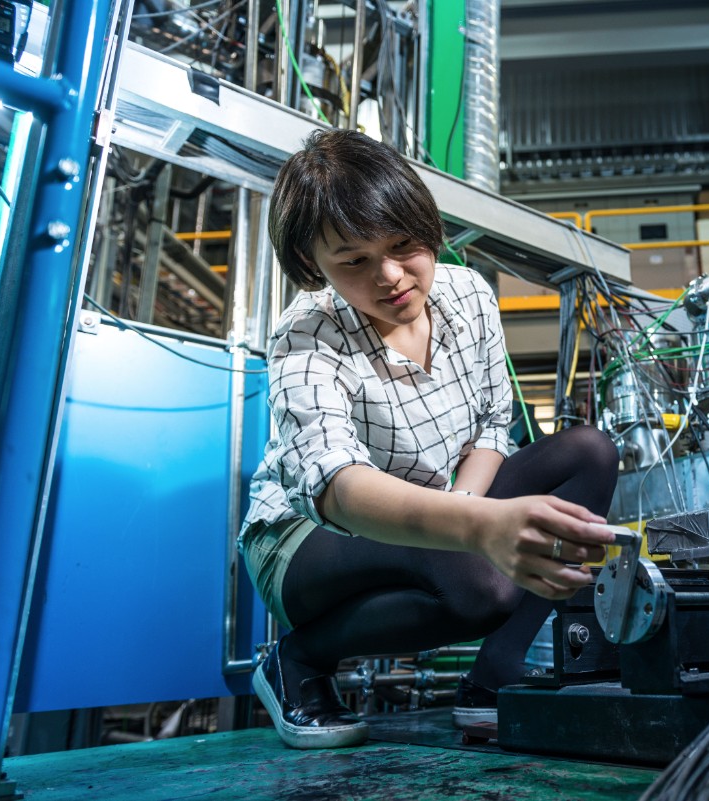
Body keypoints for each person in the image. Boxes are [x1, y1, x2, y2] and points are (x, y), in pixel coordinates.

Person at [239, 129, 620, 750]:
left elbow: (494, 427)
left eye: (402, 244)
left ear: (428, 223)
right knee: (480, 585)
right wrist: (476, 530)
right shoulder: (305, 336)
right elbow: (338, 488)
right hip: (309, 543)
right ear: (314, 265)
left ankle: (494, 679)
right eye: (353, 261)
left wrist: (469, 514)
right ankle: (298, 658)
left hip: (432, 513)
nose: (391, 277)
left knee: (590, 452)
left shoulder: (469, 295)